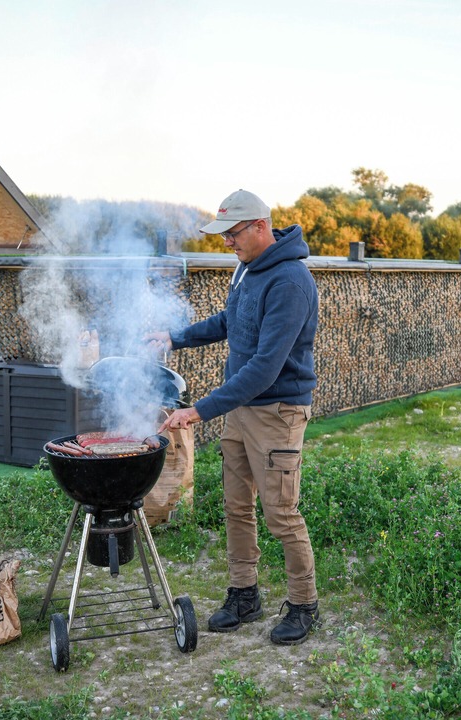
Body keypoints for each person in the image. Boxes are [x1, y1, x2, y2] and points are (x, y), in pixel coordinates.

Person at [147, 189, 320, 645]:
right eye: (223, 235)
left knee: (281, 513)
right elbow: (229, 320)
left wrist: (198, 410)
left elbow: (265, 368)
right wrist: (175, 337)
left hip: (278, 412)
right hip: (241, 409)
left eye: (233, 233)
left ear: (260, 227)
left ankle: (304, 604)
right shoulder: (246, 267)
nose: (227, 242)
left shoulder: (290, 282)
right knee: (236, 506)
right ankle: (244, 595)